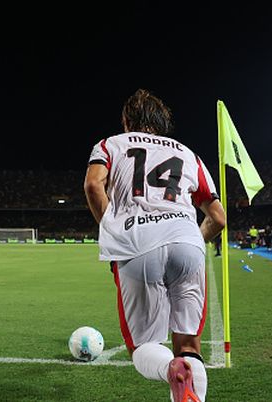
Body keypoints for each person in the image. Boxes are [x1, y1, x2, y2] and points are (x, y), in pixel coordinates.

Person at [84, 89, 225, 402]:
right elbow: (218, 217)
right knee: (189, 343)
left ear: (126, 120)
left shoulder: (111, 145)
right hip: (187, 242)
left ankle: (169, 369)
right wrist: (187, 239)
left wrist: (114, 228)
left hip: (137, 243)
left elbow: (94, 184)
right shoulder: (190, 155)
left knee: (143, 347)